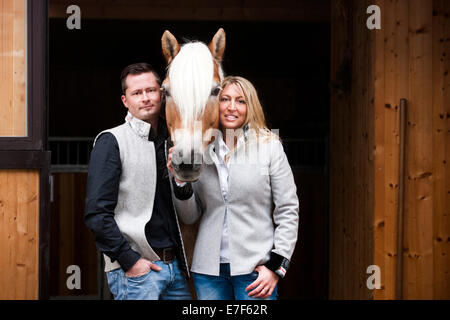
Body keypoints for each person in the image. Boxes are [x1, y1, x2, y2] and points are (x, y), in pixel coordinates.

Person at [167, 76, 299, 300]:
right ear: (214, 105)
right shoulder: (201, 151)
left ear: (251, 107)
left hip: (256, 269)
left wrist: (276, 267)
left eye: (240, 101)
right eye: (225, 99)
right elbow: (190, 216)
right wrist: (180, 181)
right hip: (208, 271)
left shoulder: (270, 147)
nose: (231, 107)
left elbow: (288, 210)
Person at [84, 62, 192, 300]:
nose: (145, 98)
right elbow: (96, 213)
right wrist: (130, 261)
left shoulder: (175, 143)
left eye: (150, 91)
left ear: (161, 94)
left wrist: (183, 181)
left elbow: (189, 215)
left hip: (175, 269)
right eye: (137, 93)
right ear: (125, 100)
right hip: (137, 271)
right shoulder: (111, 141)